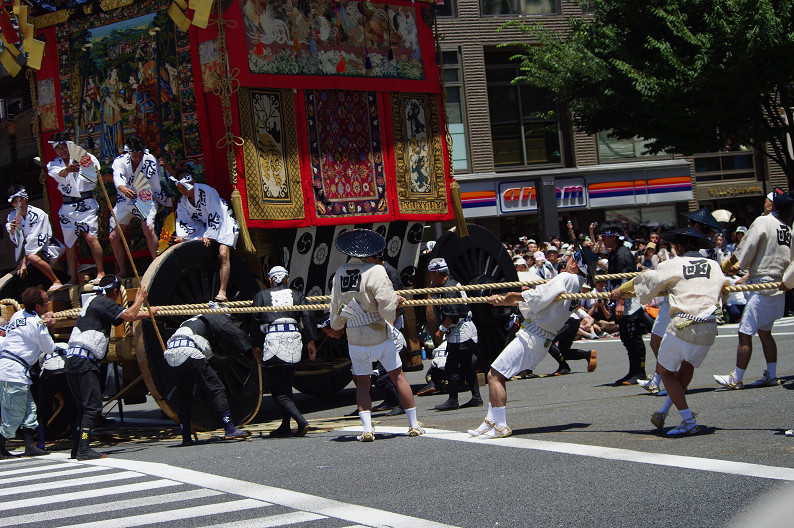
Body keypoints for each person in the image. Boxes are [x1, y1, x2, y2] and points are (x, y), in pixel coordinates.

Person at [468, 248, 596, 439]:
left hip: (532, 336)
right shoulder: (578, 286)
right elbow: (545, 301)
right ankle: (490, 421)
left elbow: (541, 296)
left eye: (570, 259)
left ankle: (500, 425)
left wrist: (511, 297)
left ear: (575, 263)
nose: (567, 261)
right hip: (540, 338)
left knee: (494, 375)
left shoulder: (565, 278)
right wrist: (510, 301)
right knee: (495, 374)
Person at [620, 228, 729, 435]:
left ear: (679, 246)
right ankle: (663, 412)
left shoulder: (672, 263)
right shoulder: (714, 266)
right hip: (708, 327)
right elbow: (725, 291)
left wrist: (620, 291)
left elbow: (647, 279)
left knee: (665, 371)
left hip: (683, 325)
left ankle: (688, 421)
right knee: (687, 364)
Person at [329, 229, 423, 441]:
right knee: (397, 376)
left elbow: (335, 310)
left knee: (362, 383)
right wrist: (396, 304)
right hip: (378, 333)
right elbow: (387, 308)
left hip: (355, 336)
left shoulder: (340, 272)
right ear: (371, 254)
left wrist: (338, 323)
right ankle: (414, 424)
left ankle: (367, 429)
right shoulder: (376, 271)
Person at [65, 275, 152, 460]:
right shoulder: (104, 302)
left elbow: (126, 317)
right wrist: (140, 298)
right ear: (115, 291)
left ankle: (77, 447)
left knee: (83, 407)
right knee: (92, 408)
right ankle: (83, 449)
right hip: (84, 361)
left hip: (74, 359)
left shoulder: (95, 302)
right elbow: (128, 315)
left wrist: (151, 312)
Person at [714, 188, 794, 389]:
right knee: (765, 331)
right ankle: (772, 374)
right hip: (779, 283)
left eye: (766, 200)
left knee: (745, 331)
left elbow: (746, 247)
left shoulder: (763, 221)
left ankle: (737, 377)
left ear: (771, 205)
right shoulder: (788, 228)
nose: (764, 203)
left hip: (762, 283)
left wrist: (733, 264)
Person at [638, 208, 722, 394]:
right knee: (657, 341)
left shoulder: (705, 249)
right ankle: (659, 378)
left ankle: (669, 381)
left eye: (691, 224)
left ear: (698, 226)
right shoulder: (701, 246)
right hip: (675, 298)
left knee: (681, 348)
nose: (688, 227)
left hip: (686, 302)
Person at [164, 311, 253, 445]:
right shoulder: (218, 318)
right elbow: (235, 334)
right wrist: (254, 347)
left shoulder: (189, 322)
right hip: (190, 352)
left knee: (184, 396)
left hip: (171, 355)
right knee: (217, 390)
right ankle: (229, 428)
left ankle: (186, 437)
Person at [251, 266, 317, 437]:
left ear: (271, 280)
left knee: (279, 393)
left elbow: (256, 323)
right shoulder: (297, 295)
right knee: (287, 387)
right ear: (287, 279)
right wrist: (310, 340)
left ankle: (301, 422)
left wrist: (256, 346)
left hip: (274, 341)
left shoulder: (261, 296)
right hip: (294, 340)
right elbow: (307, 316)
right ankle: (286, 425)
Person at [0, 287, 56, 458]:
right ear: (38, 306)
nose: (48, 303)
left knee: (29, 410)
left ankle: (29, 446)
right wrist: (50, 326)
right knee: (13, 413)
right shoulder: (36, 323)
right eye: (46, 301)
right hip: (13, 372)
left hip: (14, 370)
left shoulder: (18, 316)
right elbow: (49, 348)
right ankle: (0, 445)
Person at [46, 132, 105, 286]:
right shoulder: (54, 164)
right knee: (70, 244)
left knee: (91, 238)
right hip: (68, 207)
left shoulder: (85, 157)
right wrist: (68, 169)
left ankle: (101, 271)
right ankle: (72, 278)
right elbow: (59, 174)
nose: (61, 150)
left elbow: (95, 172)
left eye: (63, 146)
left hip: (86, 203)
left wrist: (83, 162)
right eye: (57, 148)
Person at [170, 170, 240, 302]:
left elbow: (216, 211)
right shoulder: (182, 202)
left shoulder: (207, 191)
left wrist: (210, 235)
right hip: (205, 225)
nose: (183, 191)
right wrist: (184, 237)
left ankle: (222, 291)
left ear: (193, 183)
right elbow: (184, 220)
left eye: (185, 187)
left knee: (223, 254)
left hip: (224, 220)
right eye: (180, 189)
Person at [108, 135, 173, 277]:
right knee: (114, 236)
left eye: (140, 153)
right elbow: (118, 178)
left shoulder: (149, 160)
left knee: (148, 228)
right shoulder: (120, 161)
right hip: (125, 198)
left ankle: (157, 265)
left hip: (145, 198)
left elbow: (157, 182)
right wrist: (123, 188)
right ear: (128, 152)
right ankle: (123, 269)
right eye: (134, 153)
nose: (137, 156)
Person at [428, 258, 482, 411]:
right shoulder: (451, 283)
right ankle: (476, 397)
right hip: (467, 329)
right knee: (466, 366)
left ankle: (453, 400)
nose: (431, 278)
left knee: (451, 367)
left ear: (437, 273)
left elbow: (452, 315)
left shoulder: (449, 288)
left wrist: (440, 331)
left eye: (431, 274)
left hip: (460, 331)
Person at [598, 221, 646, 385]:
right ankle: (633, 372)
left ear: (613, 236)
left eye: (604, 236)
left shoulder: (623, 253)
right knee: (626, 338)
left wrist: (620, 302)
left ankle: (640, 372)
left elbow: (628, 279)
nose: (602, 240)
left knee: (634, 338)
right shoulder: (614, 252)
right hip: (622, 301)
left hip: (629, 303)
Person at [6, 185, 66, 291]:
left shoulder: (39, 214)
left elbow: (36, 239)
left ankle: (56, 281)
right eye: (15, 202)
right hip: (29, 251)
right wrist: (12, 230)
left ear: (25, 199)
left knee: (32, 258)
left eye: (21, 200)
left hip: (46, 247)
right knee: (22, 269)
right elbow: (16, 240)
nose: (19, 204)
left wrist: (24, 261)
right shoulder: (12, 216)